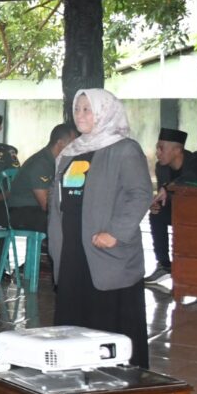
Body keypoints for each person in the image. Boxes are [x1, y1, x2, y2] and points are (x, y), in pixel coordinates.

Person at [50, 89, 151, 368]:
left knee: (108, 315)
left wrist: (116, 233)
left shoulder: (124, 148)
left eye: (87, 109)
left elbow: (140, 194)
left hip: (104, 247)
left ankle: (116, 374)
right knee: (74, 312)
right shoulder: (71, 151)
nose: (80, 115)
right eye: (78, 109)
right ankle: (76, 371)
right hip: (72, 244)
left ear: (105, 112)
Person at [146, 127, 197, 283]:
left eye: (161, 148)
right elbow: (166, 194)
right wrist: (156, 203)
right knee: (157, 213)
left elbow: (190, 178)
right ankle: (163, 265)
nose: (157, 152)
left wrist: (167, 187)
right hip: (180, 210)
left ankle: (196, 267)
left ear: (177, 150)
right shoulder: (161, 167)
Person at [7, 124, 77, 233]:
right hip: (22, 212)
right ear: (60, 143)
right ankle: (51, 249)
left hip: (36, 210)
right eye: (73, 144)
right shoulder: (40, 164)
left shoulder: (56, 161)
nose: (76, 148)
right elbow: (46, 205)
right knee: (63, 222)